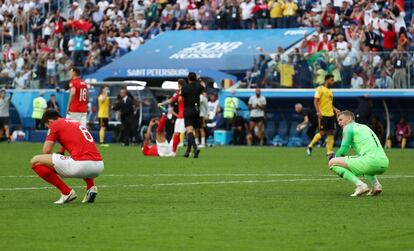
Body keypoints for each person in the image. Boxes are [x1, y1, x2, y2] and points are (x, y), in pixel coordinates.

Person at [30, 110, 104, 204]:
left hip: (83, 165)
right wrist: (61, 152)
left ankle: (66, 192)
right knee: (79, 156)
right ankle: (91, 187)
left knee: (35, 161)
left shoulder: (55, 125)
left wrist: (54, 161)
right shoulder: (74, 122)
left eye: (47, 126)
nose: (48, 128)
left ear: (50, 121)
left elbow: (46, 151)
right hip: (99, 165)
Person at [328, 111, 388, 197]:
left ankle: (361, 186)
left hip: (370, 162)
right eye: (338, 121)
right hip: (384, 162)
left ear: (349, 119)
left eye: (341, 120)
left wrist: (334, 158)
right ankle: (376, 185)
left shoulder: (348, 127)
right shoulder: (364, 126)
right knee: (362, 159)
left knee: (332, 163)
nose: (339, 123)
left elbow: (343, 150)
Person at [307, 74, 340, 159]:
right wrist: (318, 112)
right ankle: (310, 145)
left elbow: (329, 103)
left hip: (331, 115)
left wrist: (335, 109)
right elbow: (315, 101)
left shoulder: (330, 91)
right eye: (331, 80)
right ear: (327, 80)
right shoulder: (320, 89)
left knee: (331, 133)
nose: (333, 82)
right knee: (322, 133)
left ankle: (329, 152)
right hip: (323, 115)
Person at [180, 72, 205, 158]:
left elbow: (180, 99)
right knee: (192, 131)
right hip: (197, 110)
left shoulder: (185, 87)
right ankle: (187, 152)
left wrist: (181, 92)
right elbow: (204, 86)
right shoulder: (198, 86)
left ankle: (195, 148)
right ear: (195, 78)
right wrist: (199, 79)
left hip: (188, 110)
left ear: (188, 78)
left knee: (189, 131)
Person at [158, 79, 185, 150]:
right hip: (188, 114)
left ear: (179, 85)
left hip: (181, 115)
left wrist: (162, 103)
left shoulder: (179, 92)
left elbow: (171, 100)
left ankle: (173, 148)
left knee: (177, 132)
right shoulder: (189, 92)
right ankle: (174, 146)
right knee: (188, 132)